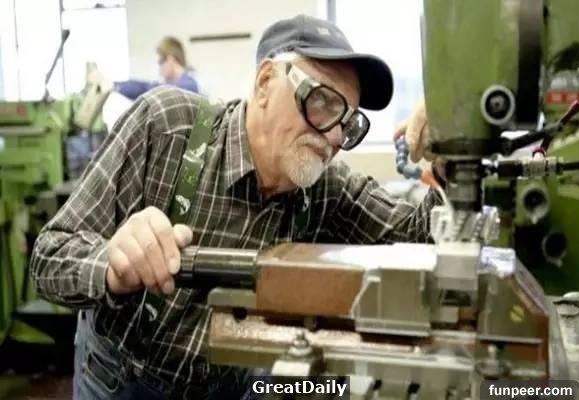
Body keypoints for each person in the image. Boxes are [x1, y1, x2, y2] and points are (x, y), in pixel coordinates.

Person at [30, 14, 438, 400]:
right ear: (265, 83)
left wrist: (448, 148)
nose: (334, 138)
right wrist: (112, 265)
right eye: (322, 103)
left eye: (349, 123)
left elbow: (422, 235)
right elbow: (50, 256)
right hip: (118, 382)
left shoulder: (326, 188)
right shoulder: (165, 125)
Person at [115, 36, 202, 100]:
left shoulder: (188, 86)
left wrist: (117, 87)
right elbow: (145, 87)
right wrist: (115, 86)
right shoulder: (177, 84)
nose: (160, 70)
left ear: (170, 60)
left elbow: (149, 89)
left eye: (160, 63)